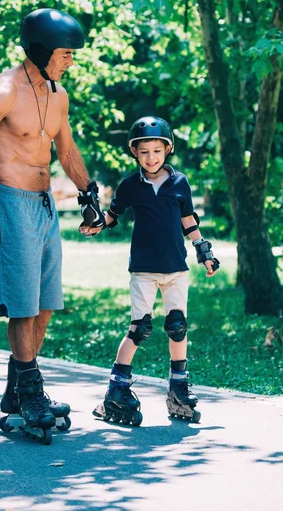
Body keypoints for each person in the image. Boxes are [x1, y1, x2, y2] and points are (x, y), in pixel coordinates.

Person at [0, 8, 105, 436]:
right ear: (39, 50)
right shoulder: (3, 91)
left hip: (44, 204)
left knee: (46, 302)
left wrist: (90, 194)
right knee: (22, 303)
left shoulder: (58, 95)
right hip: (9, 201)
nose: (71, 61)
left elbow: (67, 152)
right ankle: (30, 391)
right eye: (65, 53)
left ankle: (19, 388)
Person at [93, 116, 220, 425]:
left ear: (168, 150)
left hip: (176, 267)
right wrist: (96, 224)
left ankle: (178, 387)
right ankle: (116, 389)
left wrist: (204, 252)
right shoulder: (130, 185)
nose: (151, 157)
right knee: (140, 328)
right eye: (144, 151)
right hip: (144, 270)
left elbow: (188, 219)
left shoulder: (180, 183)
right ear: (135, 153)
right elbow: (113, 214)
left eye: (157, 150)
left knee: (177, 325)